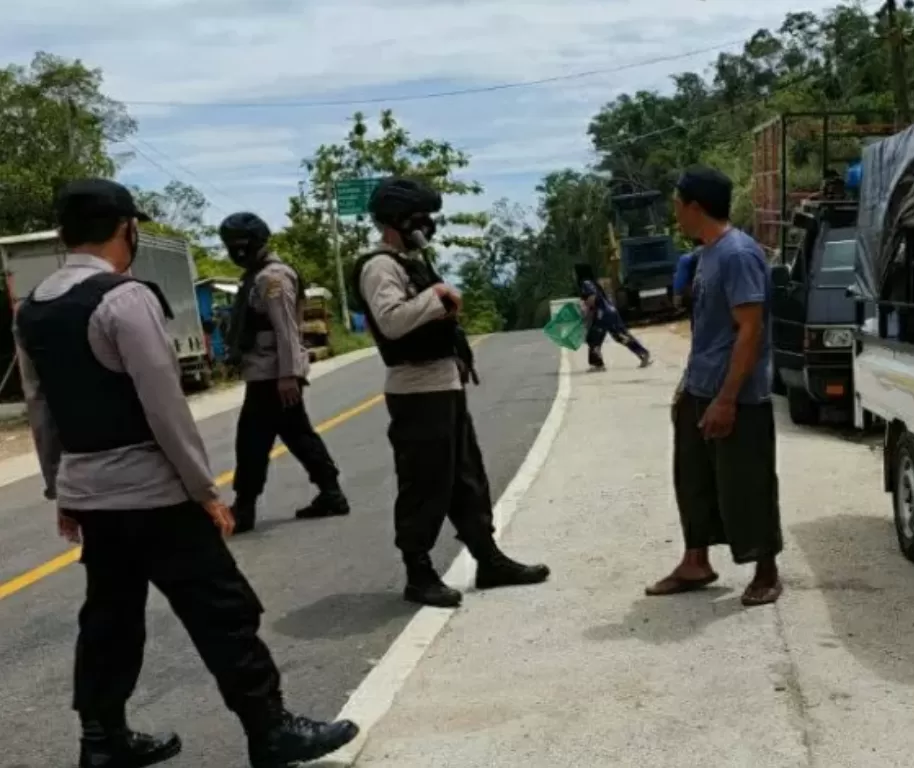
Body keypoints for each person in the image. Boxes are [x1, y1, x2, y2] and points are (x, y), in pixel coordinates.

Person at [13, 179, 358, 768]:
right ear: (128, 229)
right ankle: (270, 730)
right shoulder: (124, 299)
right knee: (224, 610)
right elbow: (164, 406)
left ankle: (102, 740)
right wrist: (205, 491)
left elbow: (41, 409)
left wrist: (60, 490)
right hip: (153, 495)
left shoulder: (34, 309)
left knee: (110, 617)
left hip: (92, 497)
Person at [351, 176, 550, 609]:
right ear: (398, 220)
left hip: (444, 386)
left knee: (466, 478)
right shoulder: (380, 266)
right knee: (424, 482)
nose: (429, 226)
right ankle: (418, 573)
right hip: (416, 390)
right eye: (422, 218)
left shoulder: (410, 261)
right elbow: (391, 321)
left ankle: (488, 558)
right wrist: (438, 296)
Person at [646, 166, 783, 607]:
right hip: (701, 387)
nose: (675, 214)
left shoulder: (738, 254)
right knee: (694, 479)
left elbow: (750, 331)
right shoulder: (706, 254)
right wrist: (688, 390)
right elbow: (708, 332)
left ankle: (766, 571)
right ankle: (695, 561)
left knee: (747, 482)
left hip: (738, 395)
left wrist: (726, 399)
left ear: (695, 206)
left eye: (677, 205)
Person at [220, 212, 350, 534]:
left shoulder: (271, 278)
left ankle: (245, 508)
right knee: (296, 434)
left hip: (273, 375)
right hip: (266, 372)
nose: (235, 251)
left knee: (252, 440)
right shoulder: (256, 275)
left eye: (240, 244)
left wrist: (289, 375)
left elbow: (286, 329)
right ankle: (331, 492)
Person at [579, 278, 652, 371]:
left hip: (604, 314)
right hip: (610, 312)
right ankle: (642, 353)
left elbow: (592, 297)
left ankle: (598, 365)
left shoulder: (587, 283)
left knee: (593, 338)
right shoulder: (595, 284)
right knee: (620, 336)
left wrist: (586, 306)